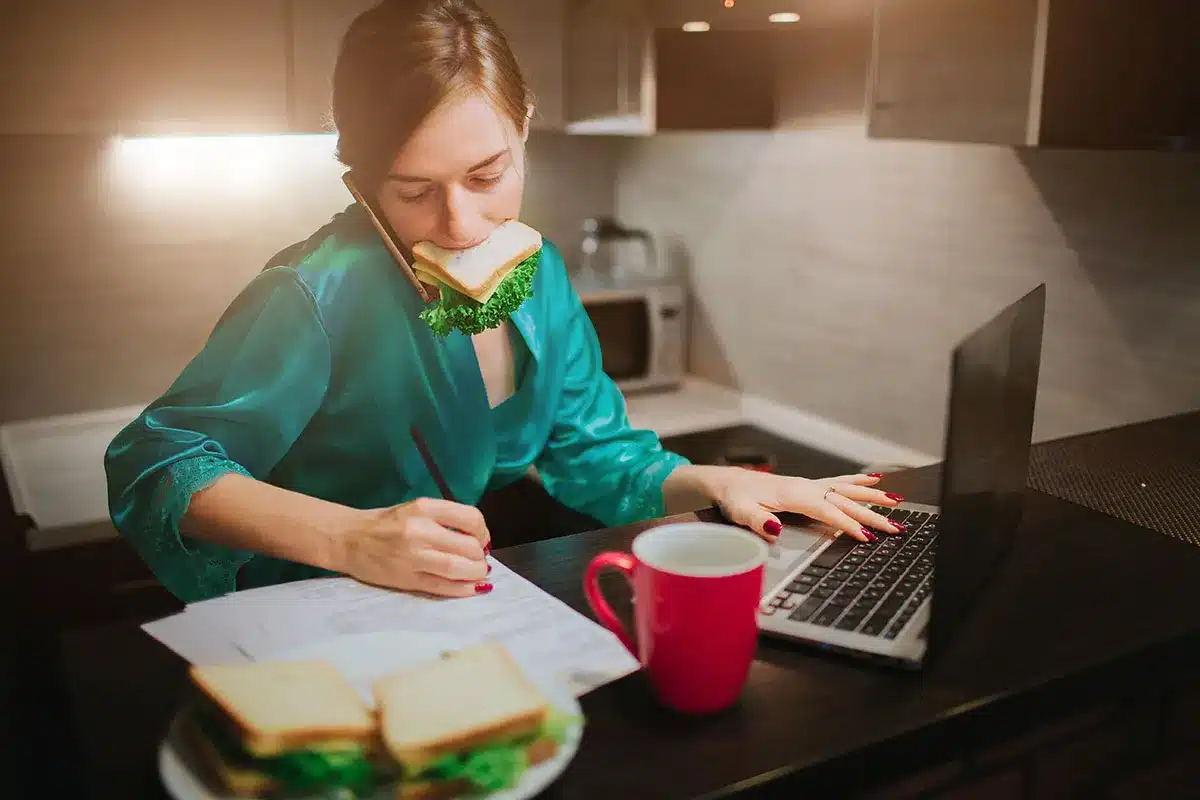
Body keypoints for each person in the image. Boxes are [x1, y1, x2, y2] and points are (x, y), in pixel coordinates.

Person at [103, 0, 905, 604]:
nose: (460, 225)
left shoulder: (542, 272)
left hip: (442, 615)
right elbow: (156, 464)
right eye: (413, 190)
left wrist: (715, 483)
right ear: (359, 177)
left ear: (524, 127)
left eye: (489, 176)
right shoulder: (314, 291)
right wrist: (348, 536)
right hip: (306, 622)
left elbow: (594, 456)